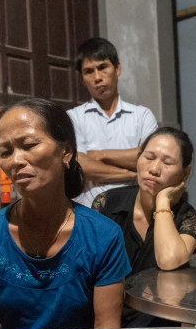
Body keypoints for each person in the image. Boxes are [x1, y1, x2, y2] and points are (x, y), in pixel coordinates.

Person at [0, 98, 131, 329]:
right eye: (6, 152)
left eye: (29, 145)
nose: (16, 160)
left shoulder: (103, 236)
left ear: (66, 152)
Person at [92, 127, 196, 327]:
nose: (154, 169)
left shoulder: (190, 220)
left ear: (185, 172)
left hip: (157, 328)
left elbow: (169, 260)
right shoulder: (107, 204)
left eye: (167, 162)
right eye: (149, 157)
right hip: (105, 318)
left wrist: (163, 201)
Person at [67, 37, 158, 206]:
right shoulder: (74, 117)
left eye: (103, 67)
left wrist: (100, 154)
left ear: (118, 68)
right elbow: (80, 166)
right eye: (89, 71)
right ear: (82, 79)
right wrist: (132, 173)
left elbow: (151, 160)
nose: (97, 77)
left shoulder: (142, 115)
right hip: (91, 211)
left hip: (135, 209)